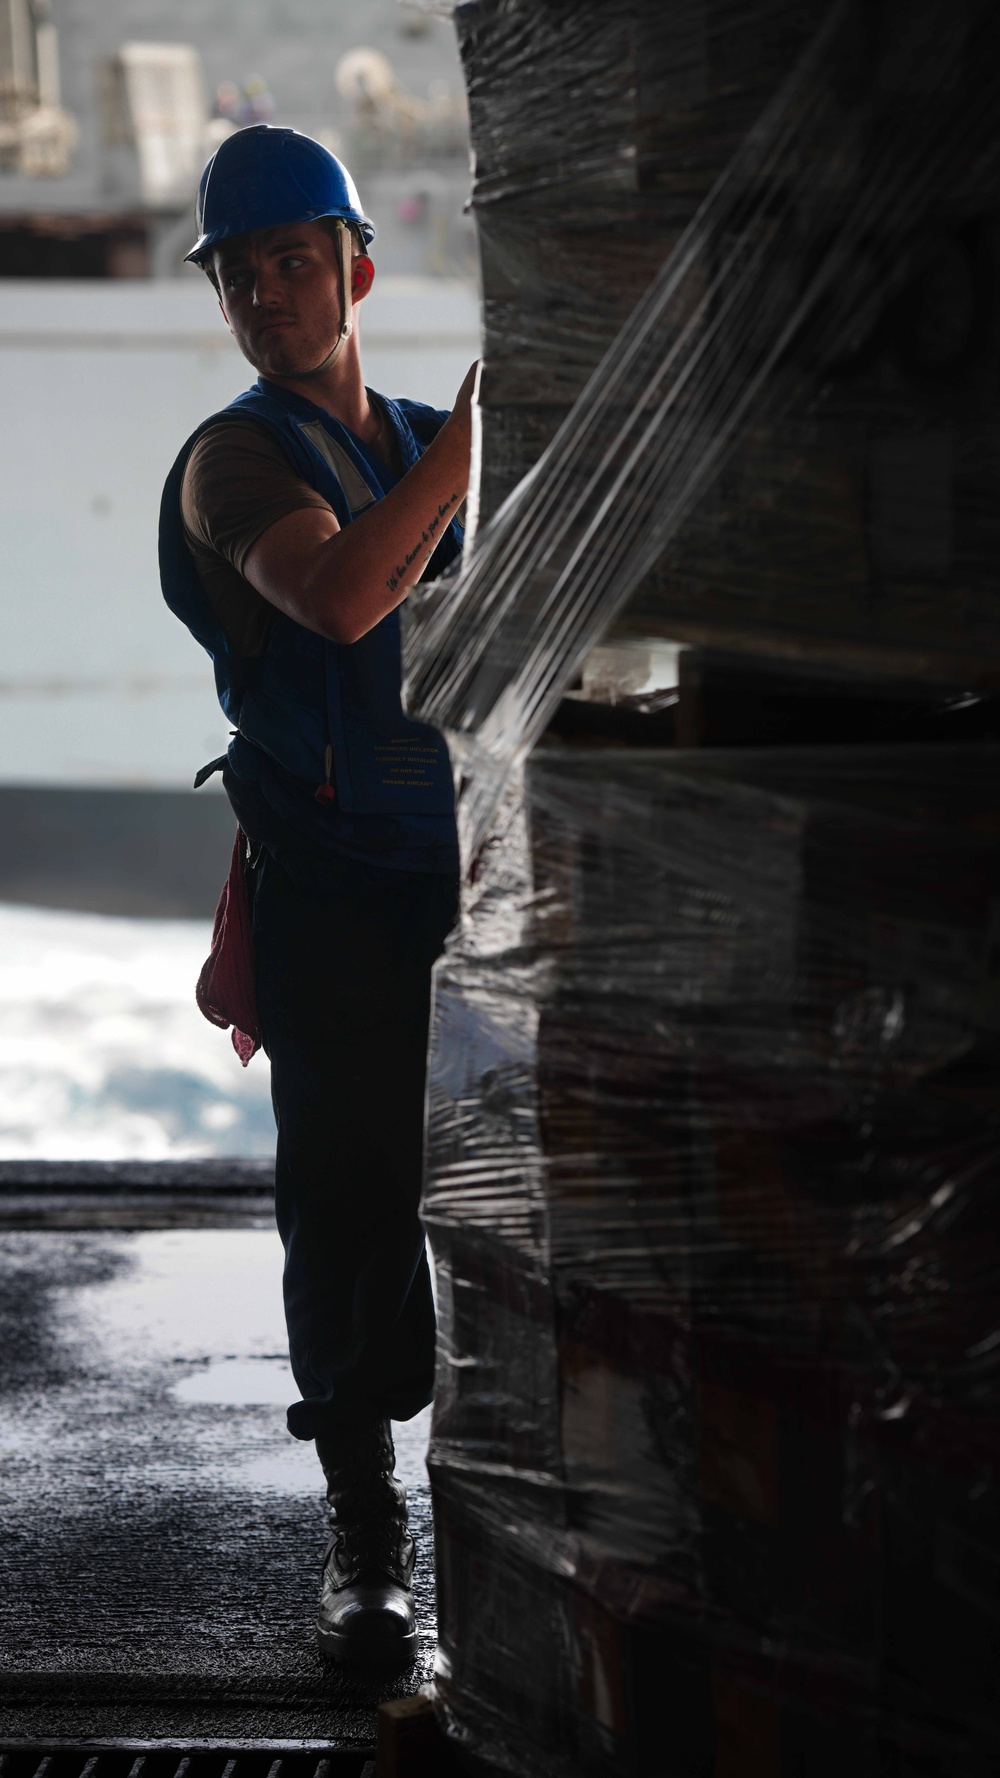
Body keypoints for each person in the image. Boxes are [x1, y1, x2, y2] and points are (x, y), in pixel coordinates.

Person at [158, 124, 475, 1668]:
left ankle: (504, 1499)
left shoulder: (422, 433)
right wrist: (476, 453)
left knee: (484, 1200)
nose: (273, 296)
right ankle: (367, 1536)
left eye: (297, 261)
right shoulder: (234, 460)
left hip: (474, 894)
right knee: (348, 1211)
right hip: (338, 902)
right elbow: (347, 594)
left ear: (357, 264)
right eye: (243, 274)